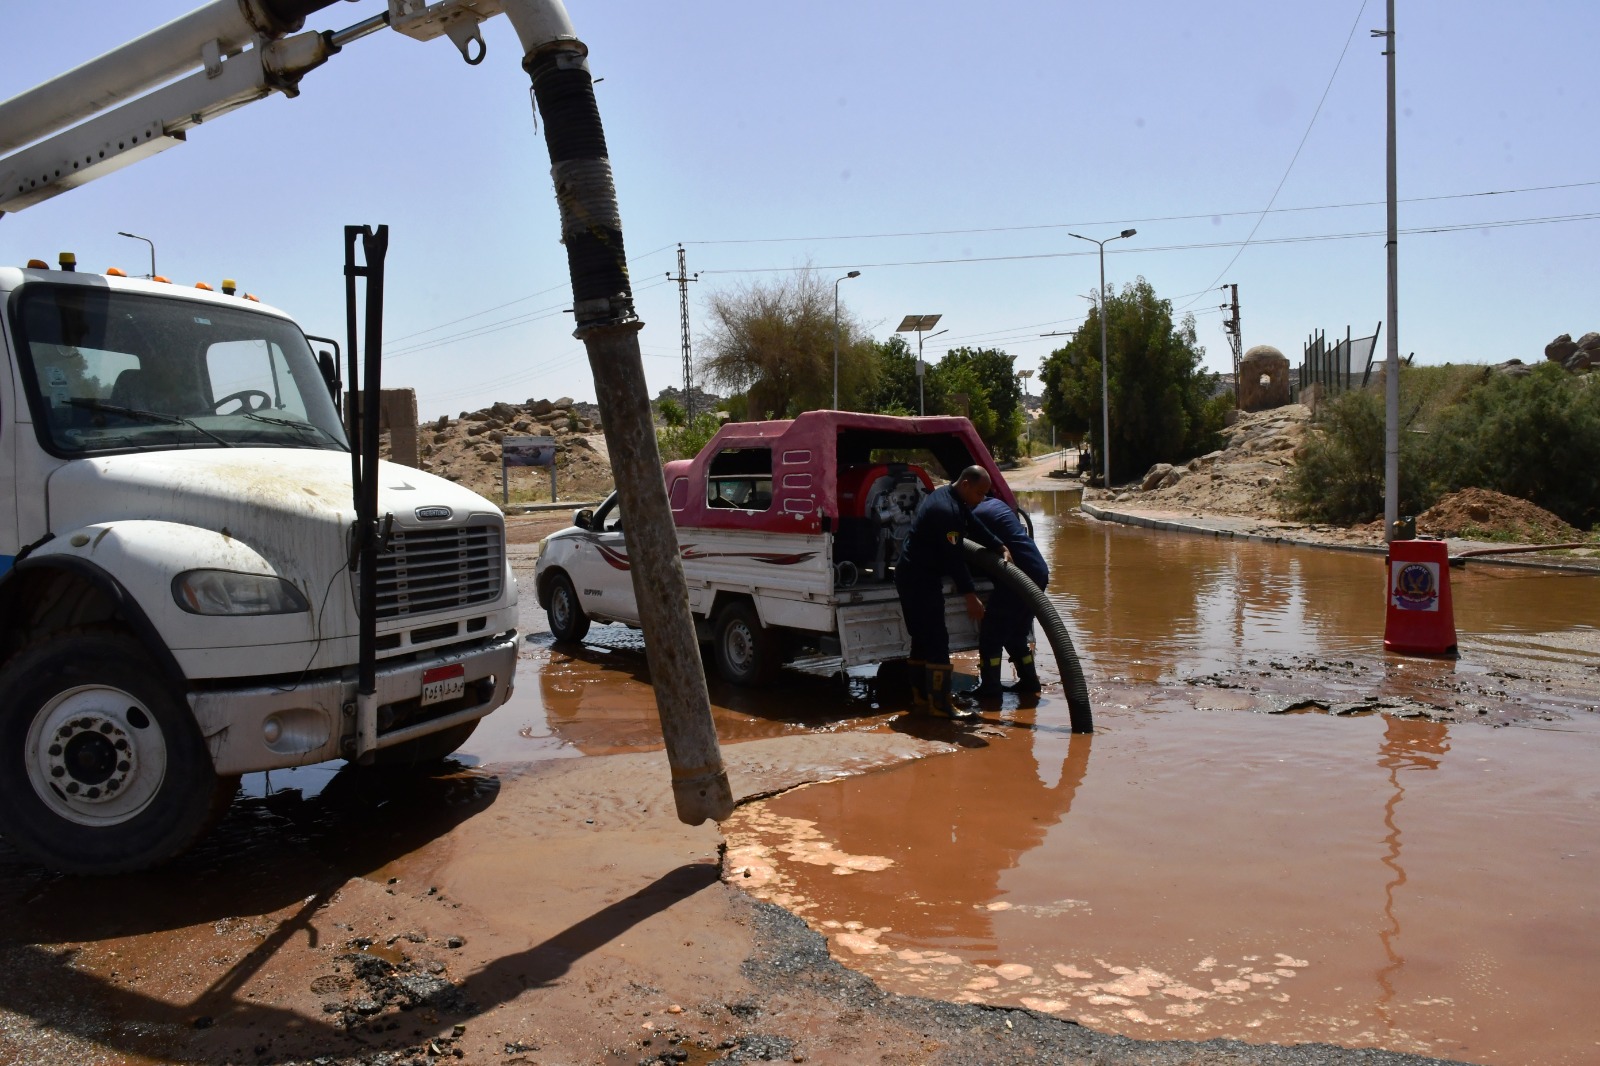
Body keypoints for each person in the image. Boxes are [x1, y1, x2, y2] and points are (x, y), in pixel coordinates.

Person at [894, 465, 1007, 718]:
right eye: (980, 493)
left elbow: (972, 521)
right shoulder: (947, 511)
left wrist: (997, 544)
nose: (982, 499)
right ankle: (941, 705)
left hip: (910, 574)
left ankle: (922, 698)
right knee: (936, 639)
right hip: (919, 579)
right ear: (966, 484)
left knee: (922, 639)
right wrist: (970, 596)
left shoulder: (948, 496)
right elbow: (954, 559)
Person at [971, 494, 1049, 697]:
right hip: (1038, 571)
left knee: (991, 635)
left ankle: (990, 688)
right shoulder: (997, 505)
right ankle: (1030, 682)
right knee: (1016, 635)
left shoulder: (974, 514)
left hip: (1016, 577)